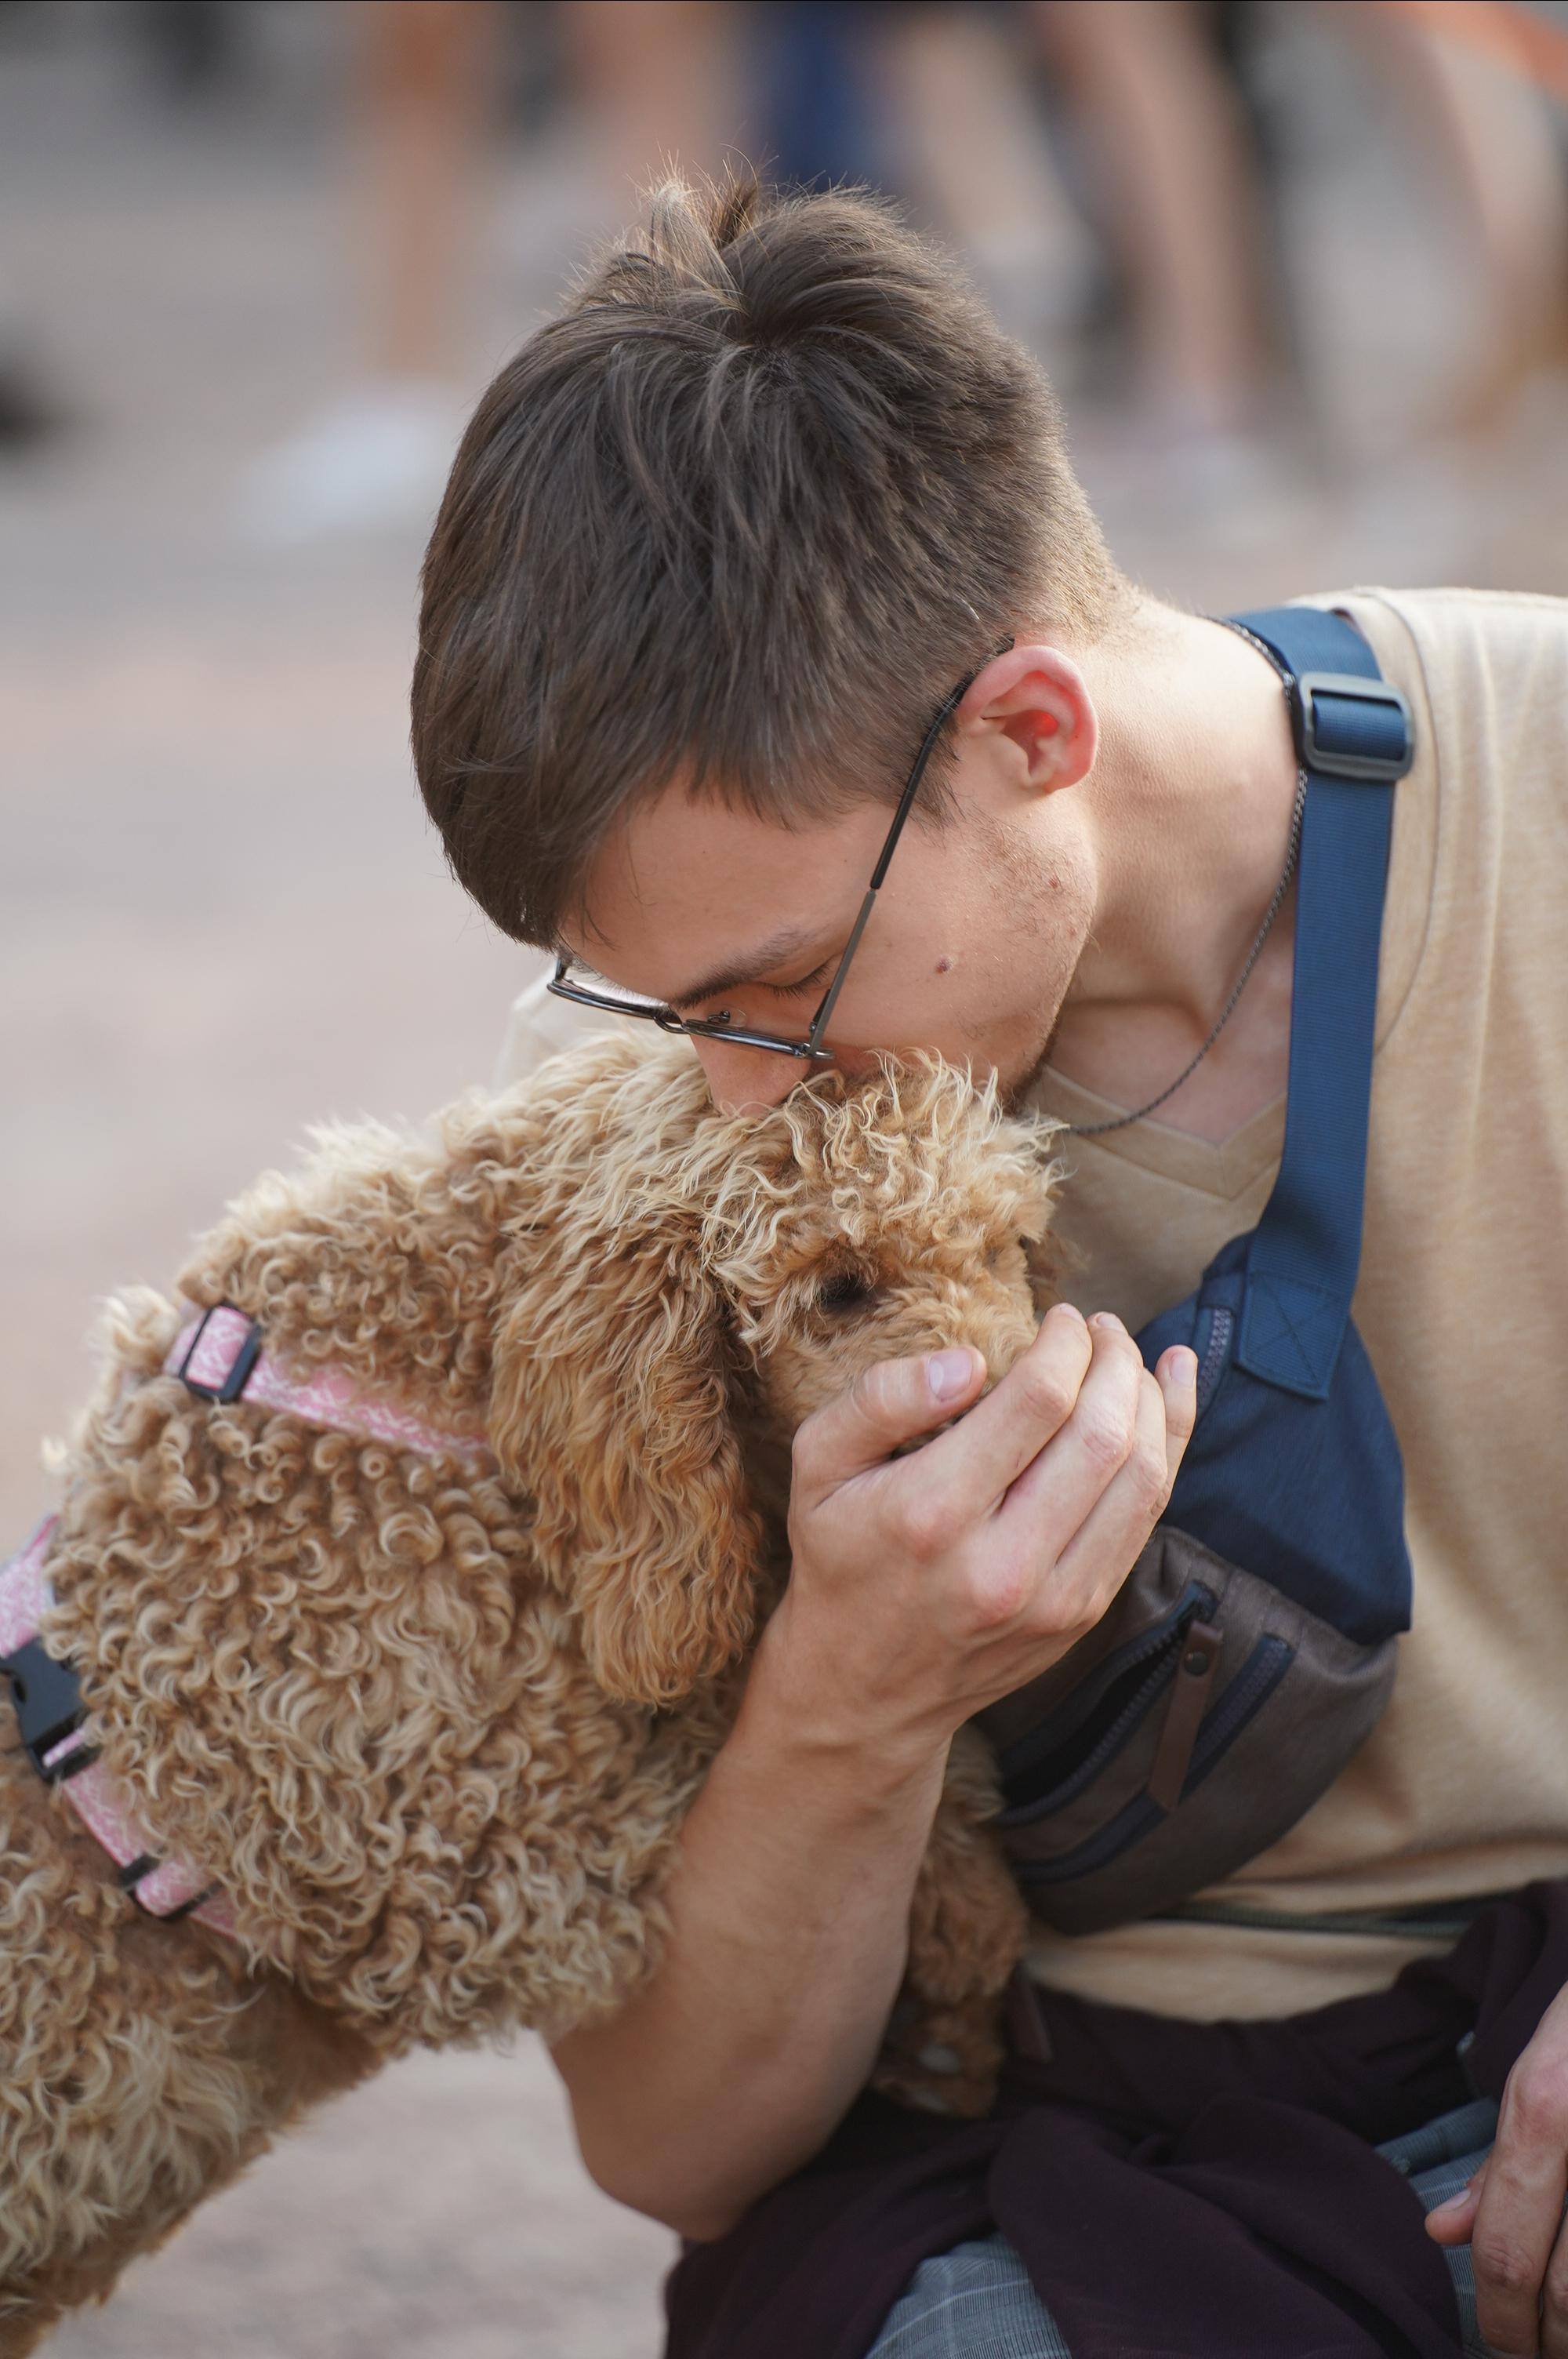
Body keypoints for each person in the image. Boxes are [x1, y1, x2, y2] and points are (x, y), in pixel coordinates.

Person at [411, 174, 1568, 2357]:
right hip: (1079, 2142)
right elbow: (674, 2147)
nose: (732, 1094)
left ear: (1033, 732)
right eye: (660, 1010)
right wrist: (856, 1695)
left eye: (777, 984)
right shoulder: (646, 1161)